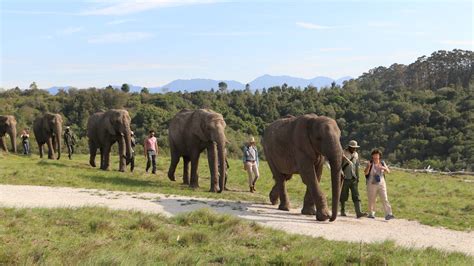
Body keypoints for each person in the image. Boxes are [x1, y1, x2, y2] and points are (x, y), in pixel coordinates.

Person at [364, 149, 395, 220]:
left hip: (381, 183)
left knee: (385, 198)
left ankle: (388, 214)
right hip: (371, 183)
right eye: (374, 155)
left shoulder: (382, 163)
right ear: (372, 156)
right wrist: (368, 166)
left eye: (377, 155)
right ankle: (371, 213)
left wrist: (383, 168)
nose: (376, 156)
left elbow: (388, 171)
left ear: (379, 156)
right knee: (372, 199)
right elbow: (365, 173)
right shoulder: (370, 163)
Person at [340, 140, 367, 218]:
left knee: (356, 196)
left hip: (353, 178)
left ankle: (359, 212)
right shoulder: (343, 153)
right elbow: (339, 165)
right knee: (343, 195)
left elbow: (356, 166)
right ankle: (342, 210)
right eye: (353, 147)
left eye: (355, 148)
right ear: (349, 147)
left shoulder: (356, 154)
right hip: (345, 177)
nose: (354, 149)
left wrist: (357, 177)